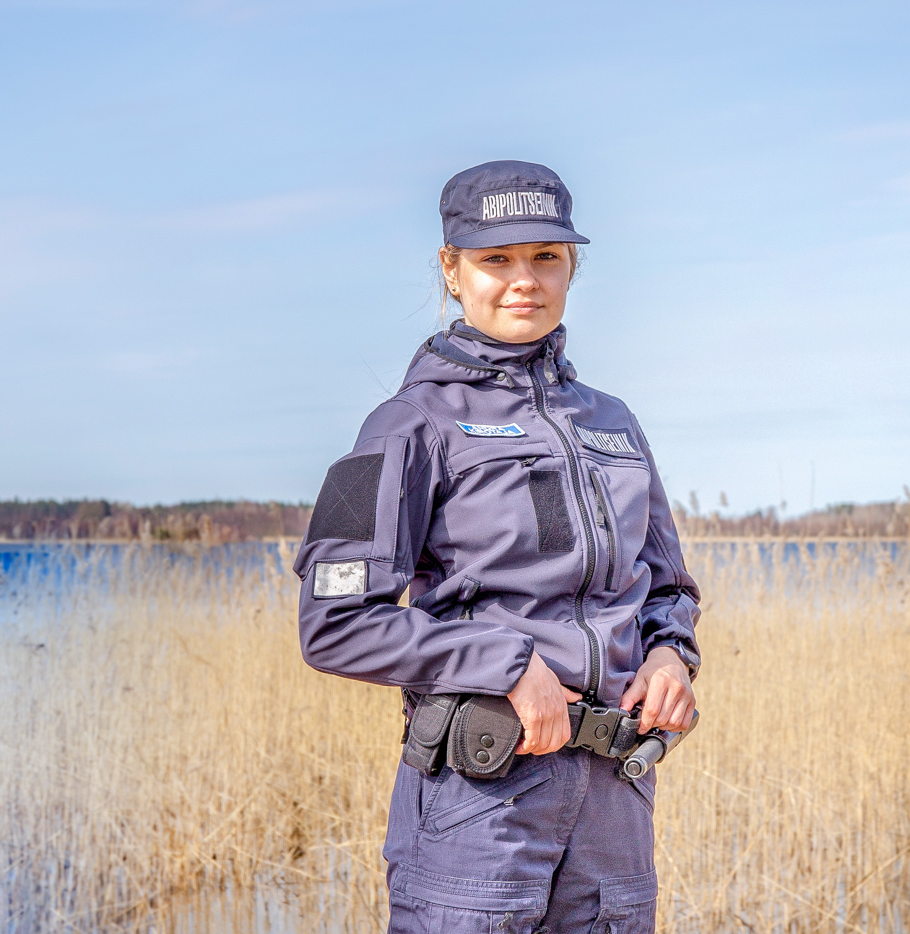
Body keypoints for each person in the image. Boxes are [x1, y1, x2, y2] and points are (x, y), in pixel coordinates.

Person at [293, 160, 701, 934]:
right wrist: (505, 664)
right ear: (452, 271)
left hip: (615, 808)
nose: (524, 280)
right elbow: (334, 624)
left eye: (546, 255)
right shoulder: (406, 425)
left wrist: (671, 656)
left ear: (573, 266)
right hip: (481, 811)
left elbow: (667, 588)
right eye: (496, 259)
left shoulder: (612, 422)